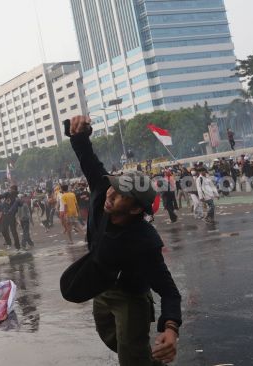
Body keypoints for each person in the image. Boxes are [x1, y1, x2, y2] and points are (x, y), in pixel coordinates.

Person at [67, 115, 181, 365]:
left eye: (121, 195)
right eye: (114, 186)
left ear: (135, 210)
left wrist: (171, 329)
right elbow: (87, 157)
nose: (111, 193)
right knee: (112, 339)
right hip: (100, 286)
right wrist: (79, 134)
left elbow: (170, 291)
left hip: (131, 296)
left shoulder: (144, 241)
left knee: (131, 357)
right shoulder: (101, 189)